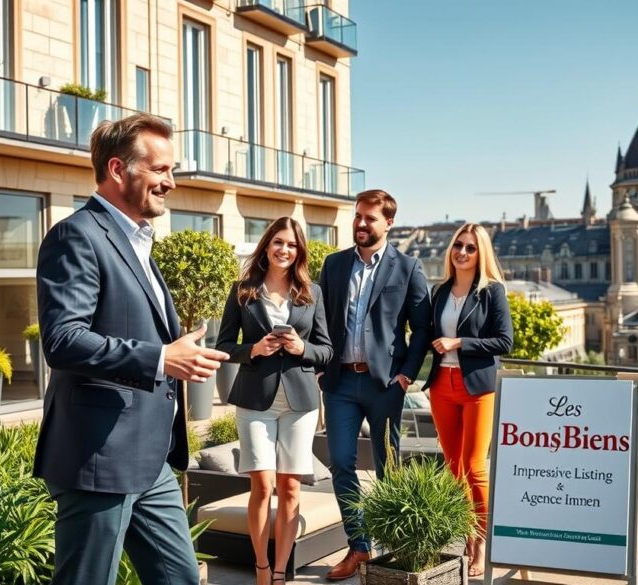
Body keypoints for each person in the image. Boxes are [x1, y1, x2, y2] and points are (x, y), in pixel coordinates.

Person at [34, 113, 229, 585]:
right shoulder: (76, 235)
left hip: (152, 458)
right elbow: (63, 340)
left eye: (171, 170)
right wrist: (162, 358)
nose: (172, 182)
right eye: (160, 169)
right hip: (99, 459)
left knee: (180, 578)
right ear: (119, 169)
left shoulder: (139, 240)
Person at [317, 189, 432, 580]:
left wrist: (406, 375)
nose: (361, 224)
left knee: (389, 467)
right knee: (342, 465)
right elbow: (321, 320)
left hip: (385, 384)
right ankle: (360, 547)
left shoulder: (408, 267)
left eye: (370, 218)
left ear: (388, 223)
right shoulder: (333, 266)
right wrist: (321, 367)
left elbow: (422, 329)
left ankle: (396, 549)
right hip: (339, 383)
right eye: (358, 216)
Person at [216, 217, 334, 585]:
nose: (284, 249)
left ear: (299, 251)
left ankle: (281, 571)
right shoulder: (243, 291)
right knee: (262, 486)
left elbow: (327, 351)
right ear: (267, 246)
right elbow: (222, 347)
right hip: (254, 401)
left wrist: (303, 348)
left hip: (300, 403)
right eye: (278, 242)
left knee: (291, 487)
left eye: (292, 245)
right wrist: (253, 349)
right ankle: (261, 566)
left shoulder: (311, 292)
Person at [425, 223, 513, 577]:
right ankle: (464, 534)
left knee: (475, 467)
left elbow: (504, 341)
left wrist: (460, 342)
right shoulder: (440, 291)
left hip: (478, 387)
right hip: (441, 387)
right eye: (458, 245)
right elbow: (426, 336)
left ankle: (480, 541)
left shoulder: (492, 292)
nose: (462, 252)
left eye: (470, 248)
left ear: (481, 254)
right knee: (453, 468)